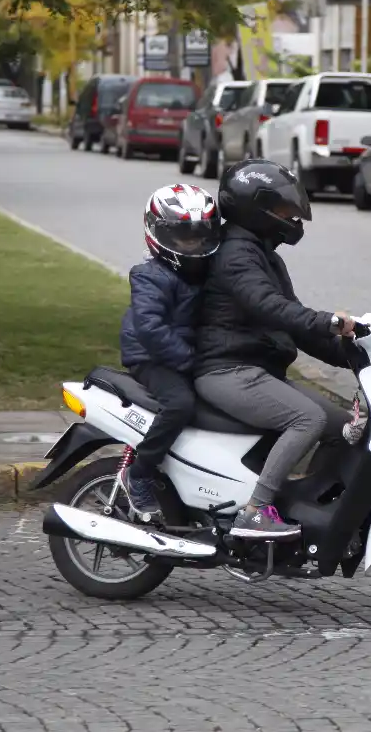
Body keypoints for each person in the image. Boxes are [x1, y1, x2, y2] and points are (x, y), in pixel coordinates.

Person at [193, 159, 356, 540]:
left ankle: (308, 505)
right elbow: (270, 305)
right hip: (226, 370)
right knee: (307, 419)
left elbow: (293, 325)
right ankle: (255, 512)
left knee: (345, 427)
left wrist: (355, 355)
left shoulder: (265, 255)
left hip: (256, 370)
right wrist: (327, 319)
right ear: (256, 208)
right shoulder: (236, 255)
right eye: (283, 209)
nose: (291, 217)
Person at [118, 183, 222, 516]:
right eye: (183, 237)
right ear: (157, 233)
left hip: (185, 354)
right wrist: (189, 362)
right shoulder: (149, 275)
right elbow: (150, 329)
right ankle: (139, 473)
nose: (193, 245)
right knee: (179, 404)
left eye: (199, 236)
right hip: (151, 358)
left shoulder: (207, 272)